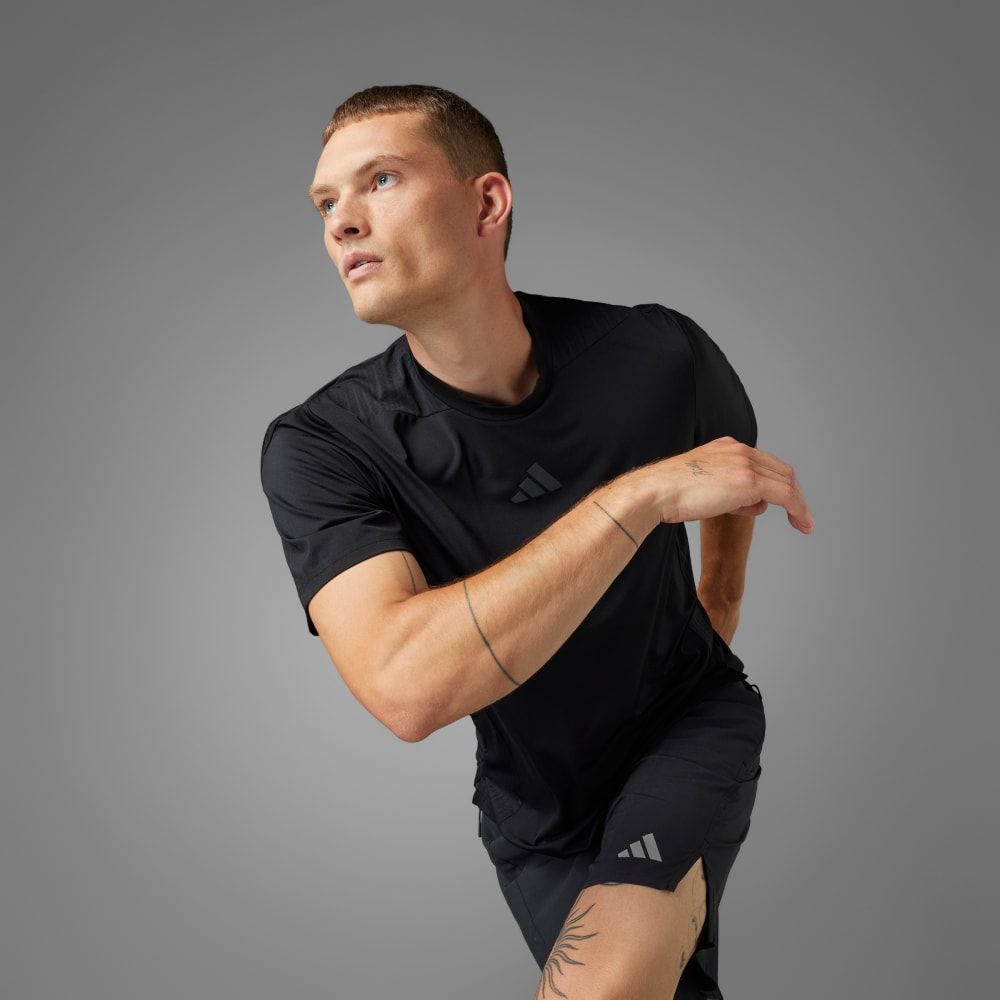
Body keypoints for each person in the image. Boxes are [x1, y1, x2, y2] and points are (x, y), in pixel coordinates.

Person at [260, 84, 814, 1000]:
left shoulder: (653, 353)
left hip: (683, 729)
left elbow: (728, 470)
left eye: (381, 180)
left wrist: (718, 604)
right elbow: (406, 689)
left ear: (486, 202)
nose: (342, 223)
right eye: (326, 204)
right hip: (533, 810)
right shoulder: (322, 447)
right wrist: (636, 496)